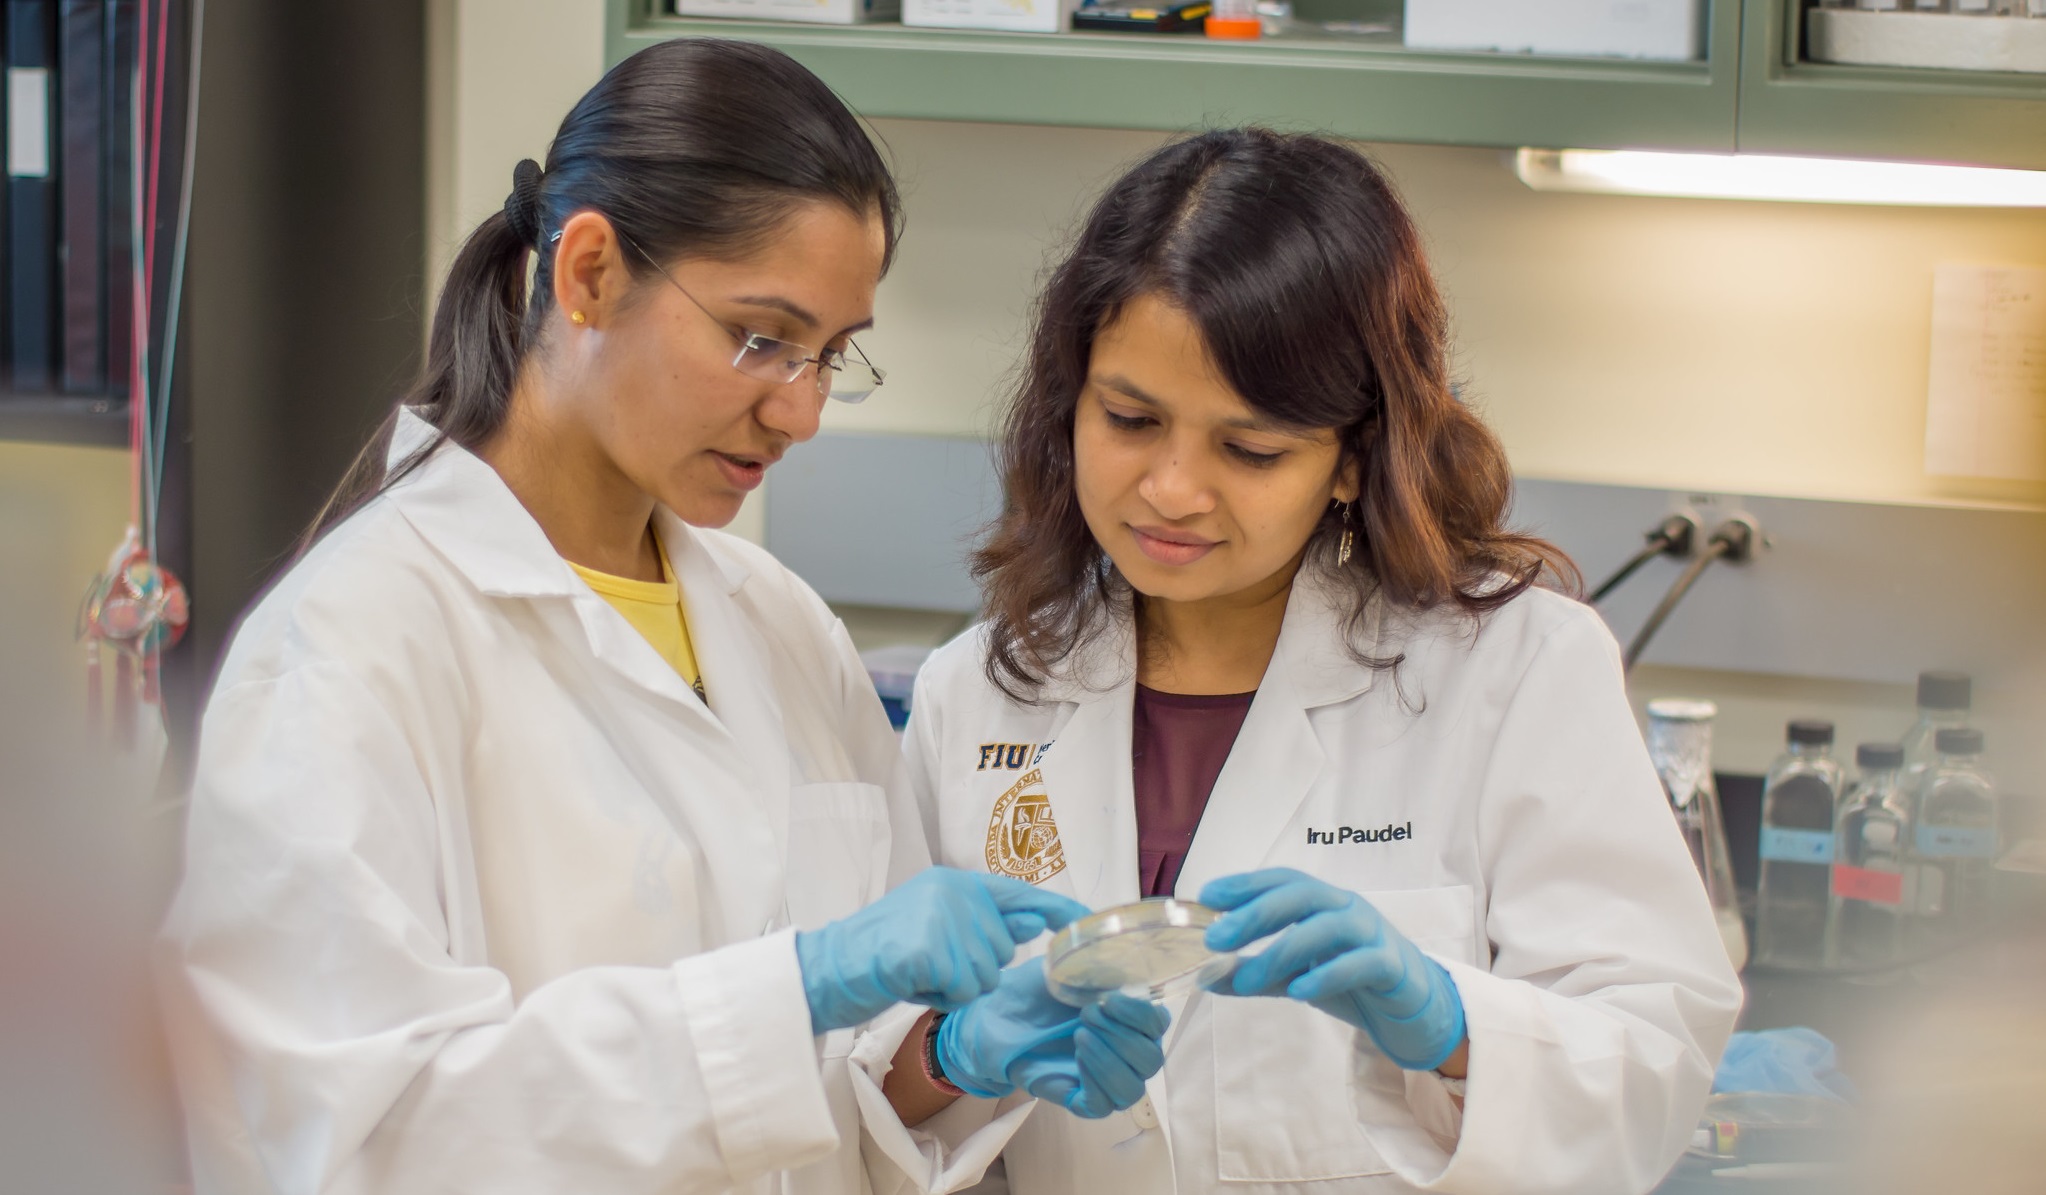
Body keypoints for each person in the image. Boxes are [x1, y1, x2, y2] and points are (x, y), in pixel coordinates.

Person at [155, 39, 1168, 1195]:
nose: (800, 412)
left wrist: (946, 1054)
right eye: (761, 338)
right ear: (587, 272)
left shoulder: (782, 628)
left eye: (831, 356)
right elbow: (348, 1147)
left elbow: (828, 1099)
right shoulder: (346, 651)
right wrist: (802, 983)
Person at [901, 128, 1744, 1194]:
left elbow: (1655, 1061)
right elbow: (861, 1092)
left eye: (1249, 450)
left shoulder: (1517, 670)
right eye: (1129, 418)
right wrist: (949, 1052)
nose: (1171, 487)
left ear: (1353, 459)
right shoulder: (974, 691)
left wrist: (1447, 1021)